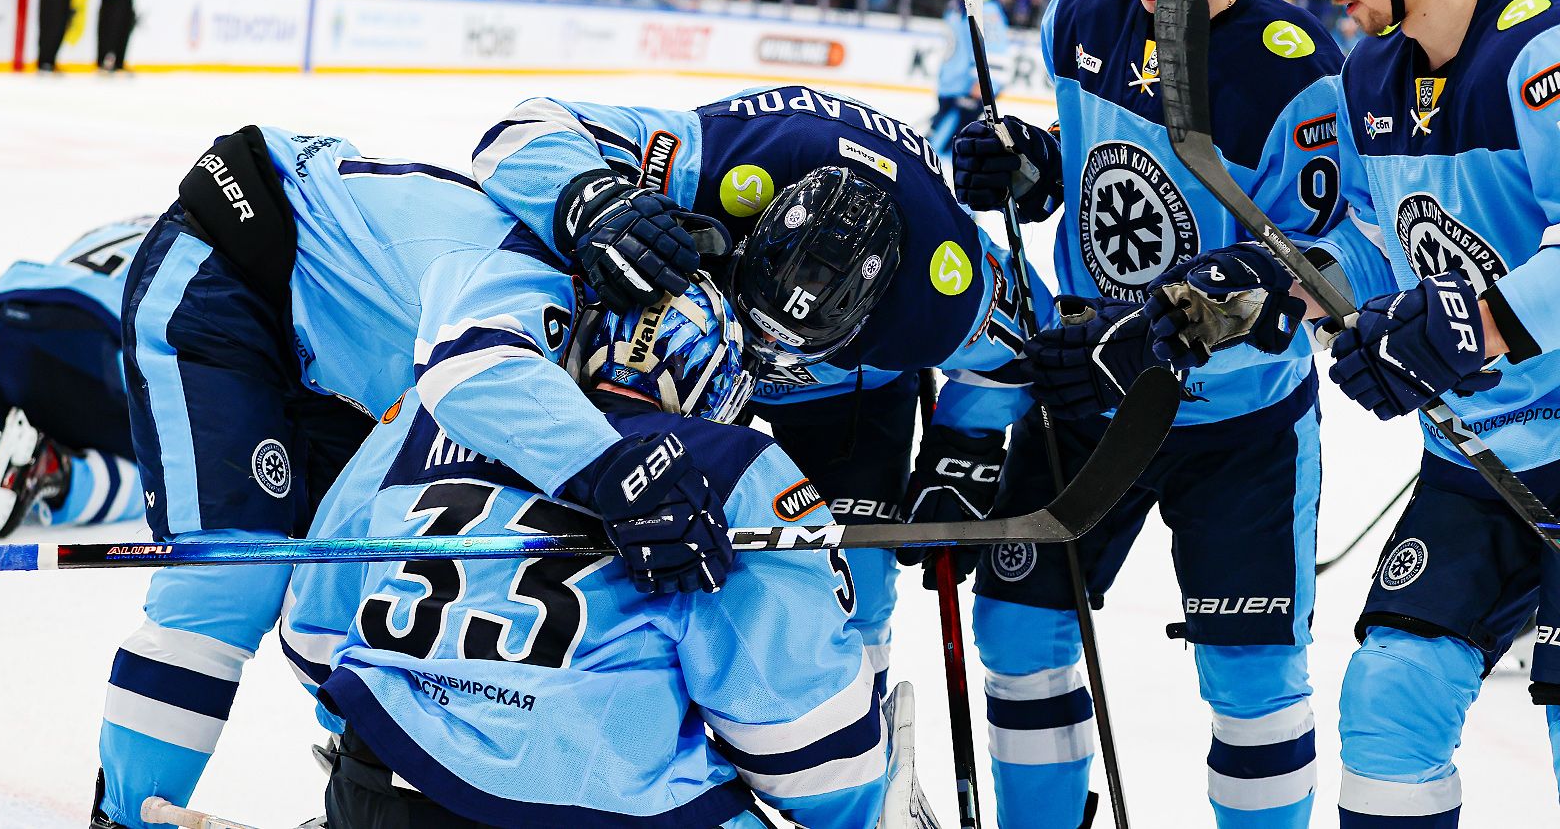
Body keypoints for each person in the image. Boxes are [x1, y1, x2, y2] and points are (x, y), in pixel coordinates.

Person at [89, 129, 739, 828]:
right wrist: (620, 477)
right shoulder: (518, 306)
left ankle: (370, 781)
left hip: (335, 352)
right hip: (228, 275)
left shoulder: (545, 348)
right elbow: (467, 378)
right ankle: (125, 817)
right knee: (234, 575)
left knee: (385, 561)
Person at [280, 276, 939, 828]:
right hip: (594, 809)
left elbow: (314, 632)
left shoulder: (432, 412)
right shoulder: (732, 466)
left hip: (376, 786)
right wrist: (861, 806)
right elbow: (806, 748)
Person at [950, 0, 1349, 825]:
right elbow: (1096, 152)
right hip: (1085, 399)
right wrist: (1034, 164)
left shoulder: (1294, 71)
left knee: (1252, 682)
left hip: (1238, 429)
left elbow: (1315, 267)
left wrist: (1172, 330)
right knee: (1017, 632)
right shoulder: (1084, 3)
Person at [471, 84, 1049, 696]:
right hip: (679, 334)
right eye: (756, 328)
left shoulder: (945, 294)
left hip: (844, 399)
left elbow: (1027, 352)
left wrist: (964, 449)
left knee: (856, 585)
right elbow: (519, 133)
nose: (760, 361)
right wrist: (599, 209)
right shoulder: (718, 164)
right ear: (745, 241)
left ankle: (853, 722)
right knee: (623, 512)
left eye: (789, 349)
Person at [1190, 0, 1560, 823]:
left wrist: (1467, 327)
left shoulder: (1542, 47)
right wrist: (1273, 281)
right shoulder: (1369, 75)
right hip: (1478, 464)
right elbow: (1369, 243)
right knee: (1389, 700)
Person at [0, 216, 151, 537]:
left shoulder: (142, 221)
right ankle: (57, 472)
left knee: (42, 431)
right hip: (91, 342)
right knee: (164, 479)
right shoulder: (213, 239)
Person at [930, 0, 1014, 159]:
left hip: (966, 90)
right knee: (936, 146)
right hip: (950, 88)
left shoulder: (986, 9)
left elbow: (996, 49)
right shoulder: (956, 5)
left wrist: (983, 83)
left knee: (943, 150)